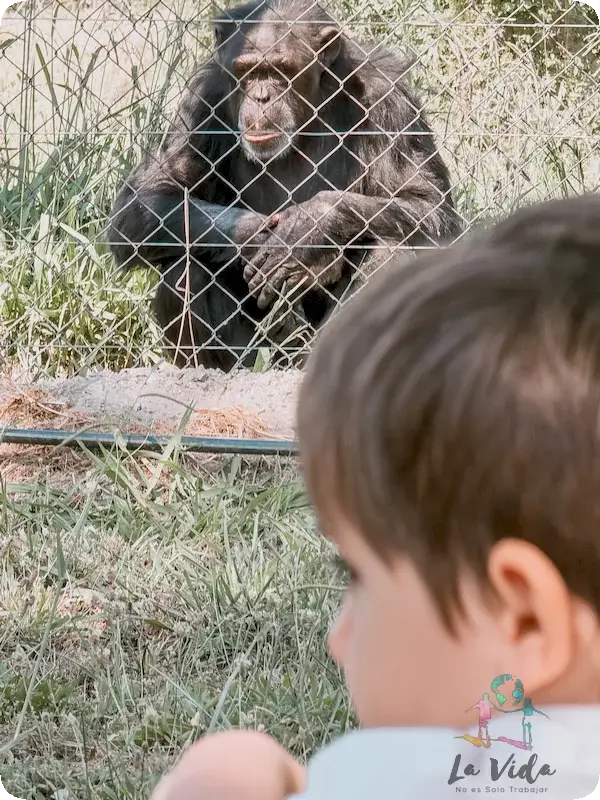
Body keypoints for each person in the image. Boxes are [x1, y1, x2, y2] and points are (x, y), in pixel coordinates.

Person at [150, 193, 600, 799]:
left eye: (357, 575)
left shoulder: (446, 773)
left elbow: (431, 213)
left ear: (521, 621)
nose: (337, 637)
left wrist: (231, 772)